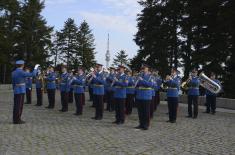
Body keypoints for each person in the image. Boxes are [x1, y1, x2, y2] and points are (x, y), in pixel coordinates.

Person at [135, 64, 154, 130]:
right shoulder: (140, 76)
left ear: (148, 69)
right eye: (143, 68)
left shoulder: (150, 76)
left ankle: (146, 125)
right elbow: (136, 84)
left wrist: (142, 80)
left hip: (146, 96)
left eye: (145, 68)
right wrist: (137, 81)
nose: (143, 69)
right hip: (140, 95)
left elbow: (150, 85)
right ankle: (141, 124)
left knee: (146, 111)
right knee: (140, 111)